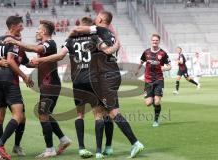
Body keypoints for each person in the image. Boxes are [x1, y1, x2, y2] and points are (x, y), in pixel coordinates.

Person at [31, 16, 120, 159]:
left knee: (80, 115)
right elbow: (107, 51)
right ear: (88, 28)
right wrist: (116, 45)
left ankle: (81, 148)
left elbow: (59, 56)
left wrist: (40, 60)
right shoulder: (95, 38)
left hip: (77, 81)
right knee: (98, 115)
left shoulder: (70, 40)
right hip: (93, 80)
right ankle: (98, 151)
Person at [70, 11, 144, 158]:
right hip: (111, 74)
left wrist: (79, 31)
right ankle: (108, 147)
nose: (95, 18)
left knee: (113, 112)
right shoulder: (111, 34)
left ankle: (135, 143)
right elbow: (110, 49)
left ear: (101, 19)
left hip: (106, 76)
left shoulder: (99, 30)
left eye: (97, 16)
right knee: (106, 113)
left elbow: (77, 29)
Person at [4, 20, 71, 158]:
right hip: (49, 85)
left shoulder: (49, 43)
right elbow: (35, 52)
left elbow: (36, 49)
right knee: (47, 115)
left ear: (45, 32)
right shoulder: (44, 44)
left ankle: (50, 149)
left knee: (43, 115)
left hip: (50, 85)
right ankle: (63, 139)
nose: (37, 31)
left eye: (39, 29)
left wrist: (16, 42)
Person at [0, 15, 33, 160]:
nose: (22, 27)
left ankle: (4, 149)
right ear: (13, 26)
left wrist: (42, 61)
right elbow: (9, 61)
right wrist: (24, 76)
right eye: (20, 25)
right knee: (19, 115)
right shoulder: (13, 42)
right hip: (10, 81)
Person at [135, 34, 171, 127]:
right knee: (148, 103)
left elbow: (170, 66)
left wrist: (164, 68)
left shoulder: (163, 53)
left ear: (159, 41)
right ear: (151, 41)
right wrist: (137, 70)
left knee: (157, 101)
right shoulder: (146, 52)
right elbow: (141, 62)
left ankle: (156, 120)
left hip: (159, 79)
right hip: (148, 80)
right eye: (153, 40)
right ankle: (152, 98)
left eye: (156, 40)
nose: (155, 42)